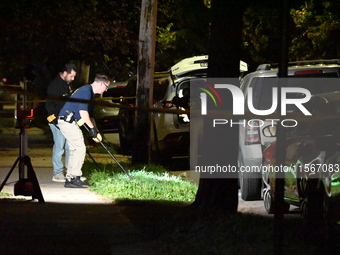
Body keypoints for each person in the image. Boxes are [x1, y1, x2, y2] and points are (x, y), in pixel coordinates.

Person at [58, 74, 109, 188]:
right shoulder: (86, 91)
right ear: (101, 83)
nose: (106, 90)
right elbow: (83, 113)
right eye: (106, 87)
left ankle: (71, 177)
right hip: (67, 121)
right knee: (80, 148)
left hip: (70, 122)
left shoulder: (90, 94)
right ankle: (74, 178)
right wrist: (91, 129)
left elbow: (90, 116)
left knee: (75, 149)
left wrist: (96, 131)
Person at [45, 63, 77, 182]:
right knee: (59, 147)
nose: (73, 79)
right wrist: (55, 120)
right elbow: (50, 105)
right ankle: (57, 173)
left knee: (69, 147)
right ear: (65, 73)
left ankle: (70, 173)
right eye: (71, 76)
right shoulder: (54, 86)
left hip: (66, 120)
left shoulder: (66, 85)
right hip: (57, 121)